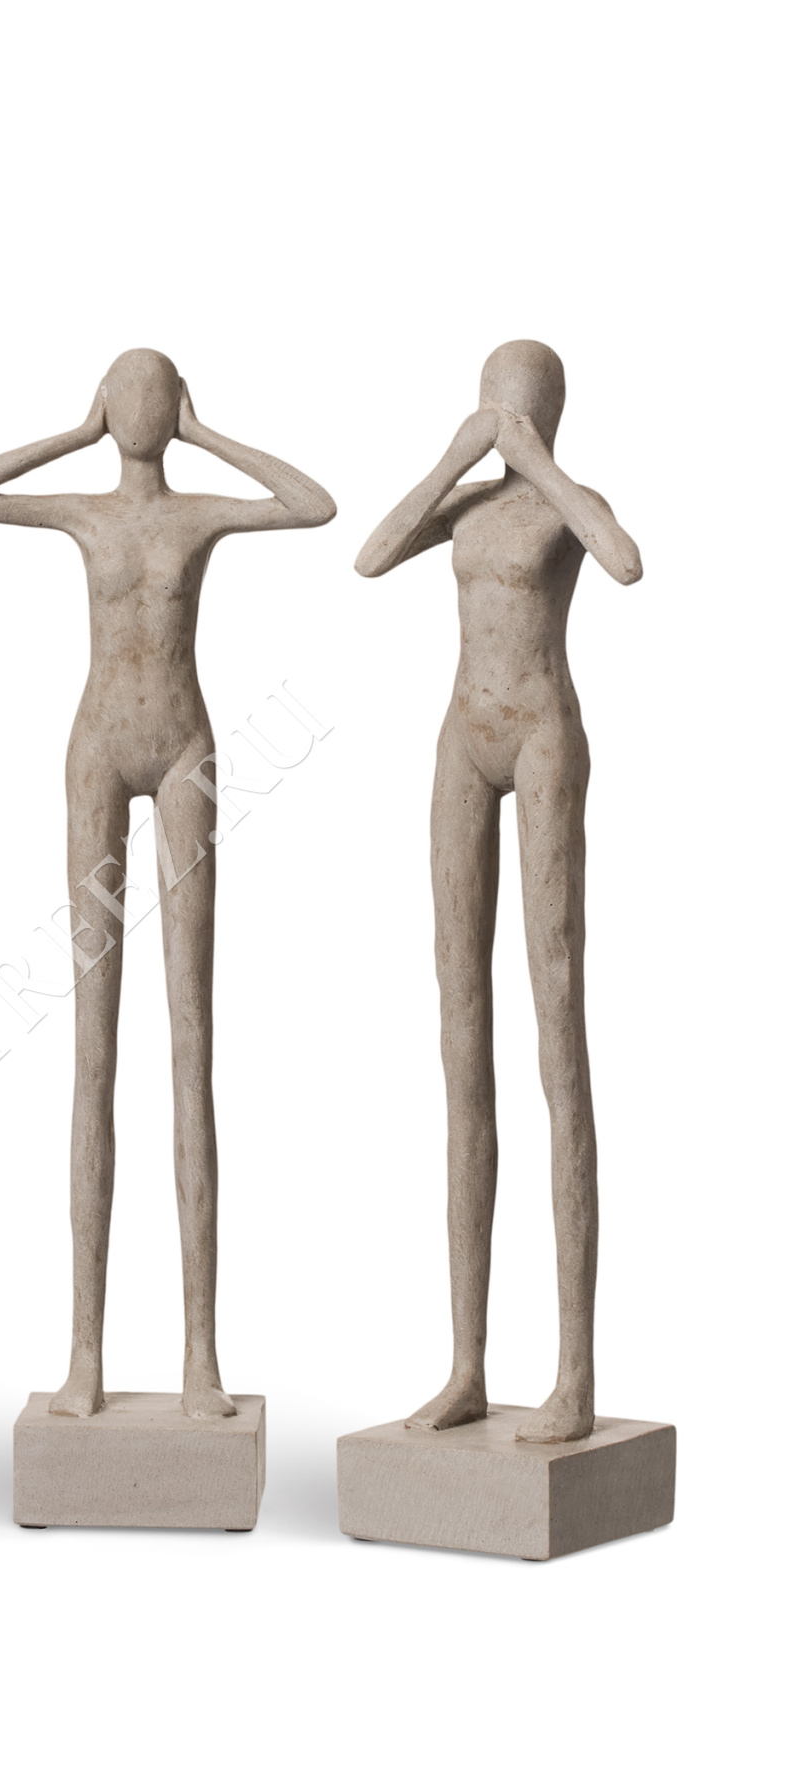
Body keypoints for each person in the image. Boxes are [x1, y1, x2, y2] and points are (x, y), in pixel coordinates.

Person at [0, 349, 334, 1418]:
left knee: (191, 1042)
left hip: (183, 750)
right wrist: (74, 434)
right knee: (91, 1047)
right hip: (98, 752)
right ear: (110, 409)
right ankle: (86, 1356)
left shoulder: (197, 516)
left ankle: (201, 1355)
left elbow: (311, 504)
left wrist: (206, 435)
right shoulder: (84, 512)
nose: (143, 409)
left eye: (156, 396)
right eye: (130, 397)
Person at [356, 340, 642, 1443]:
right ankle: (465, 1364)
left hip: (540, 736)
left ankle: (573, 1374)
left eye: (514, 404)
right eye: (490, 402)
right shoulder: (469, 509)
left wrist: (542, 466)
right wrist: (456, 457)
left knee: (556, 1030)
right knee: (459, 1037)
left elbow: (623, 561)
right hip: (460, 742)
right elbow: (371, 555)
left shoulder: (565, 505)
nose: (501, 416)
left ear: (545, 410)